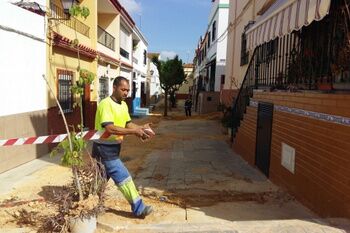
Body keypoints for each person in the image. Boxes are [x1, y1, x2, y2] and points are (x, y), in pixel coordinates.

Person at [92, 76, 155, 218]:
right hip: (104, 149)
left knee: (100, 180)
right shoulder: (105, 104)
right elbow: (110, 128)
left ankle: (89, 204)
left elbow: (128, 124)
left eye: (128, 90)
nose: (126, 93)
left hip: (113, 148)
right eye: (123, 89)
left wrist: (141, 129)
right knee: (123, 177)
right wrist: (134, 131)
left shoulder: (123, 105)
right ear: (114, 88)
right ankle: (139, 208)